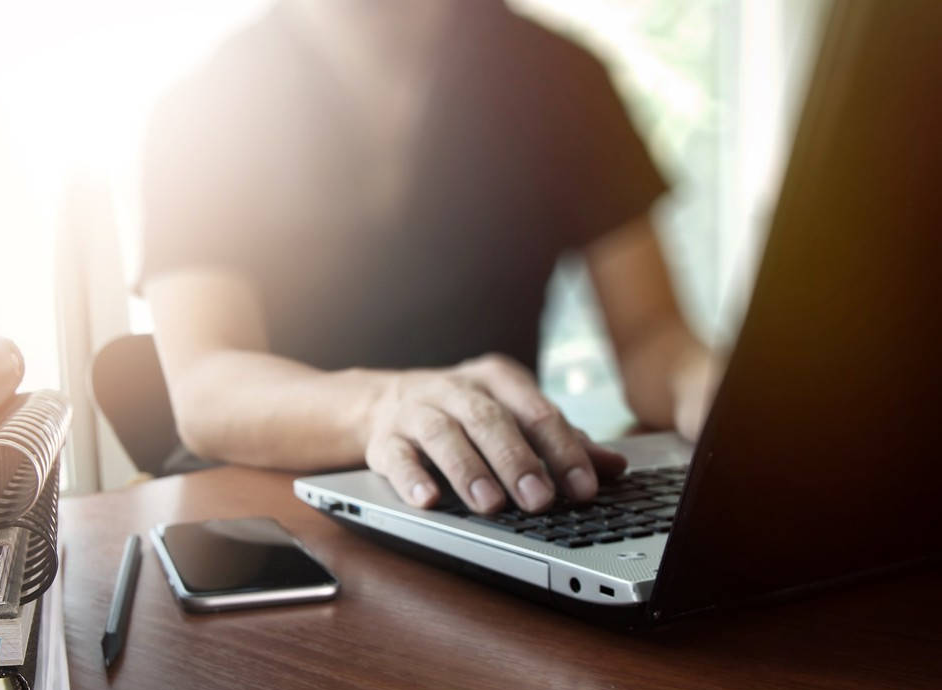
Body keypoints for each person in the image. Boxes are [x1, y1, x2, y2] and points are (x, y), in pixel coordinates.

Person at [135, 0, 717, 515]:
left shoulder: (564, 77)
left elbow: (652, 333)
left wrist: (713, 389)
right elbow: (207, 385)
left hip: (493, 505)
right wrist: (382, 406)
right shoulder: (200, 108)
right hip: (274, 512)